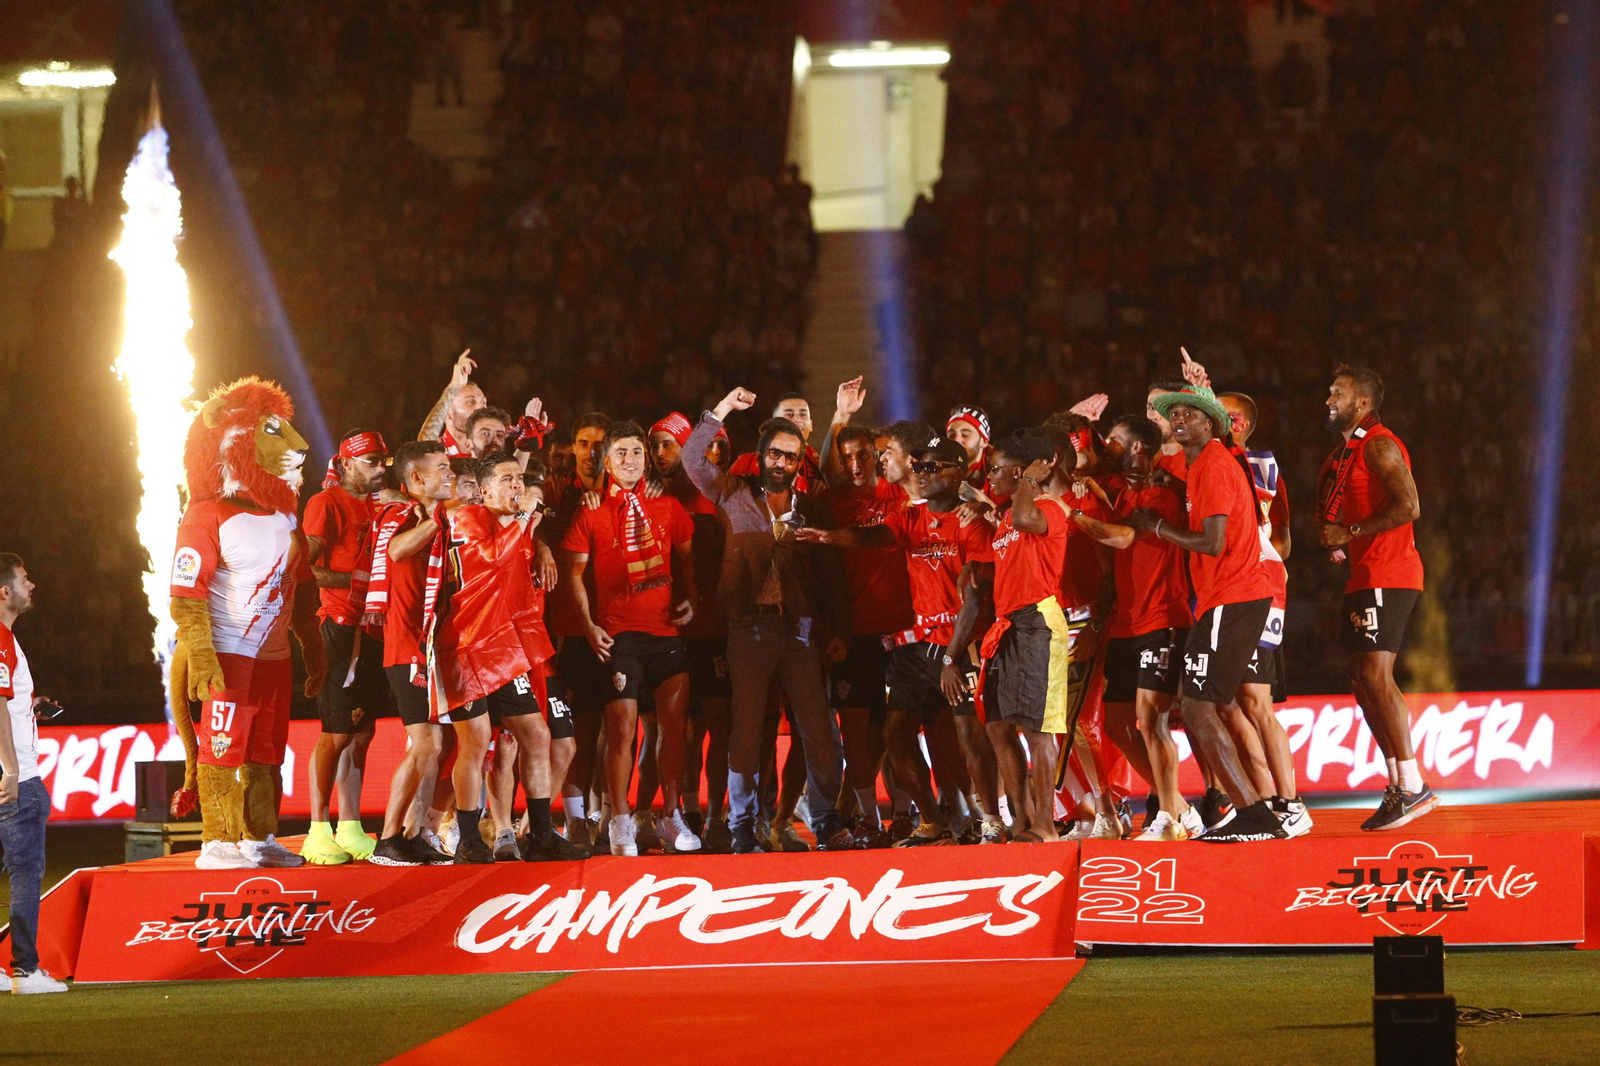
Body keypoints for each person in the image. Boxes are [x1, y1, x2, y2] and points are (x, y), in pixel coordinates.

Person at [803, 437, 1004, 844]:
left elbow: (975, 599)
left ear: (959, 473)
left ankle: (992, 820)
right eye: (922, 467)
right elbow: (870, 537)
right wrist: (828, 538)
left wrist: (950, 660)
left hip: (960, 647)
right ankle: (931, 822)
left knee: (968, 736)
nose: (925, 474)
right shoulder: (910, 518)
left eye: (935, 467)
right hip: (917, 650)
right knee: (894, 736)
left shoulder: (972, 524)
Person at [682, 387, 856, 854]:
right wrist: (718, 409)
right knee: (746, 729)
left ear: (801, 463)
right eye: (775, 454)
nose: (782, 462)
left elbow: (829, 574)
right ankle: (741, 825)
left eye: (791, 457)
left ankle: (823, 819)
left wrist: (837, 631)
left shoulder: (810, 508)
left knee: (820, 730)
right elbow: (693, 457)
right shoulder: (734, 493)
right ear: (760, 457)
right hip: (748, 628)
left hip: (799, 631)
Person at [1134, 385, 1287, 842]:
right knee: (1208, 705)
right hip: (1228, 598)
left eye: (1188, 414)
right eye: (1173, 414)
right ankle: (1251, 808)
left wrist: (1158, 527)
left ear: (1210, 423)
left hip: (1233, 596)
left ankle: (1254, 813)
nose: (1178, 420)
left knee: (1200, 707)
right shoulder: (1199, 463)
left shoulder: (1216, 466)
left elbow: (1213, 543)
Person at [562, 423, 702, 855]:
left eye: (636, 452)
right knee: (621, 730)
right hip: (619, 634)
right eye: (620, 453)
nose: (630, 460)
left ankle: (669, 816)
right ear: (607, 461)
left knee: (675, 729)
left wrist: (692, 599)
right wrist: (589, 625)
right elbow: (573, 574)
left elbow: (687, 557)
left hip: (665, 631)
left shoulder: (667, 505)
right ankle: (619, 819)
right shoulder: (591, 509)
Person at [1072, 416, 1201, 841]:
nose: (1107, 447)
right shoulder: (1125, 490)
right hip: (1126, 623)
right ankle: (1178, 806)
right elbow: (1079, 461)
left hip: (1161, 618)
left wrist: (1072, 514)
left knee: (1151, 720)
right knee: (1115, 724)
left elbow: (1125, 538)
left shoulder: (1162, 494)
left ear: (1137, 449)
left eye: (1114, 442)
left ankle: (1168, 817)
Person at [1318, 365, 1434, 831]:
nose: (1328, 397)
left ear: (1361, 403)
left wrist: (1352, 530)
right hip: (1366, 574)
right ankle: (1398, 782)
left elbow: (1410, 506)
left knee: (1374, 673)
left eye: (1337, 392)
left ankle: (1412, 785)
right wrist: (1346, 540)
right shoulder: (1344, 452)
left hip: (1391, 571)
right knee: (1359, 679)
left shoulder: (1380, 443)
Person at [473, 454, 584, 861]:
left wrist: (540, 544)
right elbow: (493, 558)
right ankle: (501, 829)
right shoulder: (475, 520)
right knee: (508, 743)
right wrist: (528, 527)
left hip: (533, 649)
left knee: (560, 743)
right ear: (485, 491)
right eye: (509, 480)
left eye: (521, 481)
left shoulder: (523, 531)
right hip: (494, 647)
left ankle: (533, 829)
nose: (518, 488)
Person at [972, 428, 1075, 843]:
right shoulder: (1009, 514)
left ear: (1021, 471)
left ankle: (1046, 827)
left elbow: (1024, 517)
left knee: (1037, 728)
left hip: (1037, 623)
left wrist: (1032, 480)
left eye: (995, 470)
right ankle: (1021, 819)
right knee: (998, 726)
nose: (989, 478)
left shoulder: (1048, 506)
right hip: (1006, 626)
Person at [815, 424, 913, 846]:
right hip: (854, 635)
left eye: (862, 455)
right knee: (856, 733)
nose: (855, 465)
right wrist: (833, 628)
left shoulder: (898, 495)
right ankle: (869, 821)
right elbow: (823, 571)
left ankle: (908, 813)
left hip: (902, 630)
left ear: (877, 455)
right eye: (846, 457)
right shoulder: (830, 503)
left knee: (898, 731)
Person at [300, 429, 390, 865]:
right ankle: (317, 830)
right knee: (334, 734)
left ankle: (350, 826)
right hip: (337, 627)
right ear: (348, 462)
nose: (380, 468)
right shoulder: (327, 504)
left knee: (362, 733)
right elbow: (305, 567)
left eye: (383, 461)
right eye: (371, 460)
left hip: (372, 629)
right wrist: (360, 584)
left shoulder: (379, 504)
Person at [367, 442, 457, 866]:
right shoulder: (398, 514)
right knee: (426, 742)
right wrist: (440, 517)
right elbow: (395, 551)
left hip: (429, 648)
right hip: (405, 647)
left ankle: (412, 832)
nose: (450, 474)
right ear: (417, 478)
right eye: (442, 467)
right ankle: (388, 839)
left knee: (435, 744)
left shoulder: (428, 517)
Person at [649, 412, 735, 851]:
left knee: (719, 725)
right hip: (666, 632)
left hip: (714, 630)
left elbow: (735, 557)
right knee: (677, 730)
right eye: (656, 445)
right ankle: (682, 811)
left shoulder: (715, 497)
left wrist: (720, 603)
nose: (659, 454)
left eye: (668, 444)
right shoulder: (645, 496)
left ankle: (717, 815)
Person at [0, 553, 68, 993]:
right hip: (15, 778)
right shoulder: (2, 639)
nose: (33, 584)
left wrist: (31, 706)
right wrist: (10, 767)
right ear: (4, 592)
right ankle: (25, 968)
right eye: (25, 579)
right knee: (26, 870)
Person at [726, 392, 822, 492]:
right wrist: (726, 405)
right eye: (789, 414)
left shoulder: (818, 469)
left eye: (803, 415)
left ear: (811, 424)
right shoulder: (746, 462)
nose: (797, 420)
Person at [419, 350, 486, 457]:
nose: (481, 407)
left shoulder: (491, 451)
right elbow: (423, 445)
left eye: (483, 402)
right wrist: (454, 386)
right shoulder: (438, 452)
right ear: (448, 412)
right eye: (471, 402)